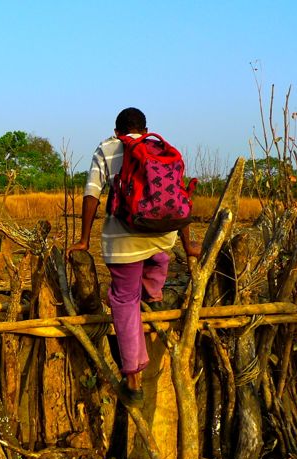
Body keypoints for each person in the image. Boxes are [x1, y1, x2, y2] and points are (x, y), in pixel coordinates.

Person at [67, 107, 200, 406]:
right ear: (145, 128)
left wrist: (84, 239)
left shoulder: (107, 148)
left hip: (124, 240)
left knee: (123, 300)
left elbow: (92, 194)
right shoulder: (159, 149)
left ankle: (132, 377)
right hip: (162, 236)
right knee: (158, 259)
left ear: (117, 132)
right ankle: (153, 296)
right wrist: (188, 246)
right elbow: (179, 201)